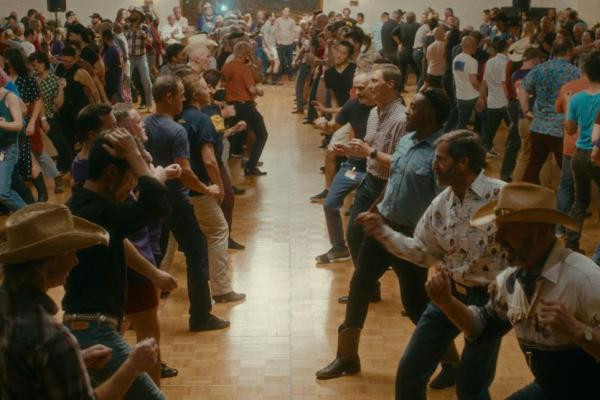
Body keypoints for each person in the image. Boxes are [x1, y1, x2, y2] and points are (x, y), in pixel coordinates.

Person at [316, 86, 459, 384]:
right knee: (359, 287)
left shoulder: (441, 152)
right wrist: (374, 210)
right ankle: (347, 357)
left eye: (414, 108)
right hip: (383, 228)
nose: (407, 111)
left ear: (430, 115)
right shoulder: (406, 141)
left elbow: (444, 204)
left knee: (415, 302)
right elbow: (393, 182)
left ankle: (451, 363)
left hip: (412, 239)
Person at [361, 130, 508, 398]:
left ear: (462, 163)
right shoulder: (442, 204)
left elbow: (532, 246)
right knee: (409, 373)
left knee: (471, 388)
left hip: (490, 304)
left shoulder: (503, 198)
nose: (433, 164)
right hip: (448, 295)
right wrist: (383, 232)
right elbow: (422, 252)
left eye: (440, 159)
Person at [427, 182, 600, 399]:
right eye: (498, 228)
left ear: (541, 232)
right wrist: (446, 302)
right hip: (551, 389)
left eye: (507, 230)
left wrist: (577, 331)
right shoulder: (510, 281)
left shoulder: (586, 279)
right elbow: (481, 327)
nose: (498, 239)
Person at [0, 202, 161, 399]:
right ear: (49, 263)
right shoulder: (51, 337)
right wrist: (131, 367)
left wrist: (74, 360)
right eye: (70, 252)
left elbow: (20, 370)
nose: (75, 261)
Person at [63, 129, 172, 399]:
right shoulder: (98, 211)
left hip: (86, 328)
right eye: (131, 179)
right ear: (112, 173)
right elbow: (156, 205)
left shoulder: (82, 204)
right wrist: (136, 157)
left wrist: (154, 273)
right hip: (94, 331)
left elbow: (117, 242)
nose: (130, 190)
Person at [145, 75, 229, 332]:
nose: (184, 99)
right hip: (176, 201)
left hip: (151, 199)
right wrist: (207, 188)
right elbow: (185, 171)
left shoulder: (145, 123)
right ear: (169, 97)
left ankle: (141, 310)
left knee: (151, 255)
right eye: (180, 95)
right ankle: (201, 316)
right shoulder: (176, 130)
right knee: (197, 253)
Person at [180, 74, 246, 303]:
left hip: (178, 189)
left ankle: (160, 283)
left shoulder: (177, 117)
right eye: (203, 87)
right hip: (200, 187)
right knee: (219, 232)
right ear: (195, 94)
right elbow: (209, 160)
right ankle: (221, 289)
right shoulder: (201, 119)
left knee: (170, 240)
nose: (209, 90)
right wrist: (218, 187)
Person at [314, 73, 375, 263]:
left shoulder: (382, 108)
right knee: (330, 204)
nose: (357, 92)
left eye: (361, 88)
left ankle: (379, 255)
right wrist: (323, 124)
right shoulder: (352, 104)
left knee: (371, 216)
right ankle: (339, 248)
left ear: (372, 87)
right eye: (355, 88)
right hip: (354, 167)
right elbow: (333, 126)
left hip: (376, 170)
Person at [519, 40, 580, 184]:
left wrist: (526, 110)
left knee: (534, 165)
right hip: (561, 129)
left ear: (553, 52)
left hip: (538, 125)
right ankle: (566, 203)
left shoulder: (539, 68)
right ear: (569, 52)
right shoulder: (574, 72)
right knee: (566, 169)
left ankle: (526, 198)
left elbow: (523, 88)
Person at [564, 51, 600, 252]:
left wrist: (569, 103)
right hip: (597, 155)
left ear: (585, 72)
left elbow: (570, 129)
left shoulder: (576, 99)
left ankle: (571, 244)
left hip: (578, 155)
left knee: (580, 201)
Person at [222, 41, 269, 176]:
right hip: (245, 105)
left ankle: (225, 168)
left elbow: (224, 84)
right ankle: (251, 166)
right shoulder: (244, 68)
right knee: (262, 134)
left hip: (231, 106)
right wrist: (260, 92)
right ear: (245, 54)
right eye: (249, 52)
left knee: (231, 137)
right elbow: (252, 88)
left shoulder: (226, 67)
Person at [479, 39, 519, 182]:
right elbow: (504, 83)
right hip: (505, 103)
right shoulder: (506, 63)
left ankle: (478, 166)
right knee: (515, 137)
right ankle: (509, 170)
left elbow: (484, 83)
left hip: (492, 103)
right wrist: (511, 101)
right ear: (507, 49)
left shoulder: (489, 62)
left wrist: (481, 98)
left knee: (487, 138)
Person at [0, 72, 27, 211]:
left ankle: (31, 218)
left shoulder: (9, 96)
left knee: (3, 192)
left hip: (7, 148)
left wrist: (2, 124)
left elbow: (18, 124)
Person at [446, 36, 481, 132]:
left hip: (461, 96)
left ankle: (455, 141)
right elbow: (474, 82)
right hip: (473, 97)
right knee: (483, 119)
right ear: (470, 46)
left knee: (462, 123)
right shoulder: (472, 61)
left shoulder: (456, 59)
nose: (476, 47)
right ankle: (479, 139)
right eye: (475, 45)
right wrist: (482, 92)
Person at [125, 7, 154, 112]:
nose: (131, 15)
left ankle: (149, 104)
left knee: (146, 80)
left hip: (141, 57)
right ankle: (128, 105)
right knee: (126, 80)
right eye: (131, 13)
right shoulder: (126, 26)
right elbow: (123, 40)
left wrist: (145, 36)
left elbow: (151, 42)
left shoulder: (144, 27)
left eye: (134, 13)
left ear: (139, 15)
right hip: (129, 57)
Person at [392, 12, 421, 92]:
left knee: (402, 72)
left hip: (403, 52)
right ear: (414, 18)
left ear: (406, 18)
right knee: (418, 72)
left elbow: (393, 33)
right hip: (413, 53)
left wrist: (399, 43)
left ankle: (400, 89)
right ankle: (419, 89)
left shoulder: (401, 25)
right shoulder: (418, 26)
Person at [273, 7, 297, 81]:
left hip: (289, 43)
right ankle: (279, 75)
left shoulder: (292, 21)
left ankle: (290, 75)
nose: (287, 12)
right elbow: (275, 31)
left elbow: (294, 31)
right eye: (286, 11)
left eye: (288, 11)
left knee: (290, 60)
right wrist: (277, 40)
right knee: (280, 59)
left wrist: (292, 39)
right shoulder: (277, 20)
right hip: (281, 43)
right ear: (282, 11)